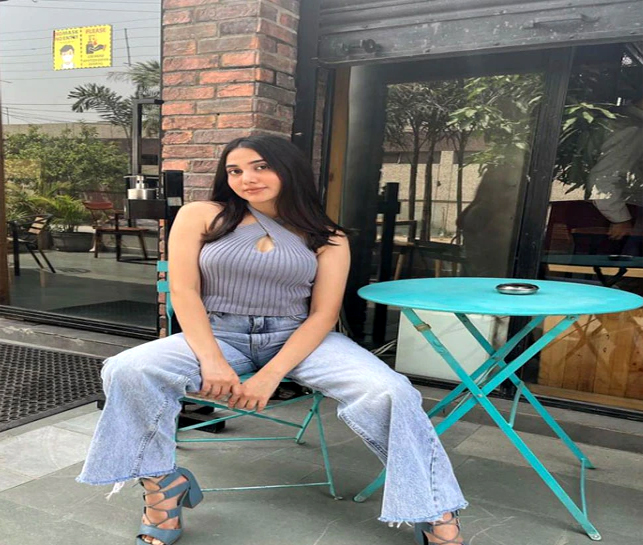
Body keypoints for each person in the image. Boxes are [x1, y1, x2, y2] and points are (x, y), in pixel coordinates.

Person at [77, 135, 468, 545]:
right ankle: (162, 486)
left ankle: (432, 505)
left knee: (390, 391)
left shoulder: (327, 236)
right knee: (128, 369)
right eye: (235, 170)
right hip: (219, 333)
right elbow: (185, 291)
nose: (247, 178)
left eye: (261, 166)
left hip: (298, 337)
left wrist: (270, 376)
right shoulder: (201, 215)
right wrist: (212, 360)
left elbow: (323, 314)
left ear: (288, 169)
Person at [589, 91, 643, 241]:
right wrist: (620, 219)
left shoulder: (617, 117)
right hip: (617, 216)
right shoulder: (633, 128)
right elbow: (603, 180)